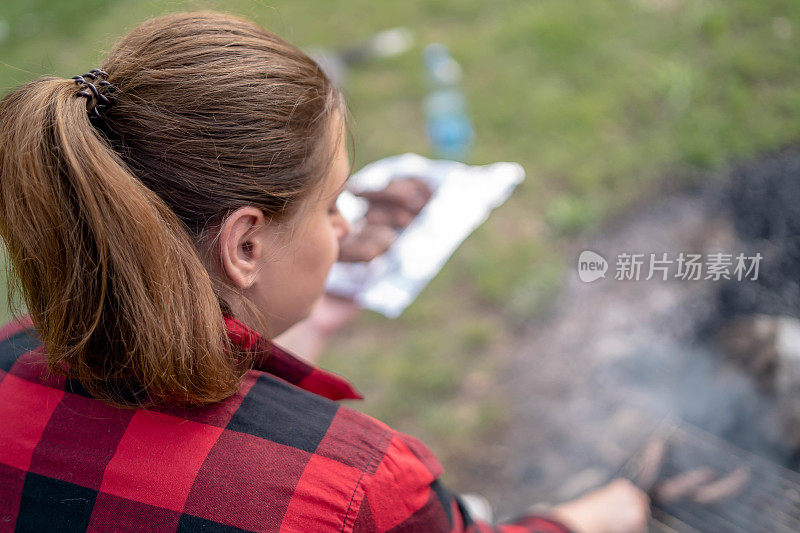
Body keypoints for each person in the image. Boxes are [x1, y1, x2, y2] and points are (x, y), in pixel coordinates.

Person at [0, 11, 650, 533]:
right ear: (245, 246)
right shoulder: (355, 487)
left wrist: (311, 325)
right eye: (332, 203)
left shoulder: (10, 354)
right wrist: (583, 519)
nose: (342, 227)